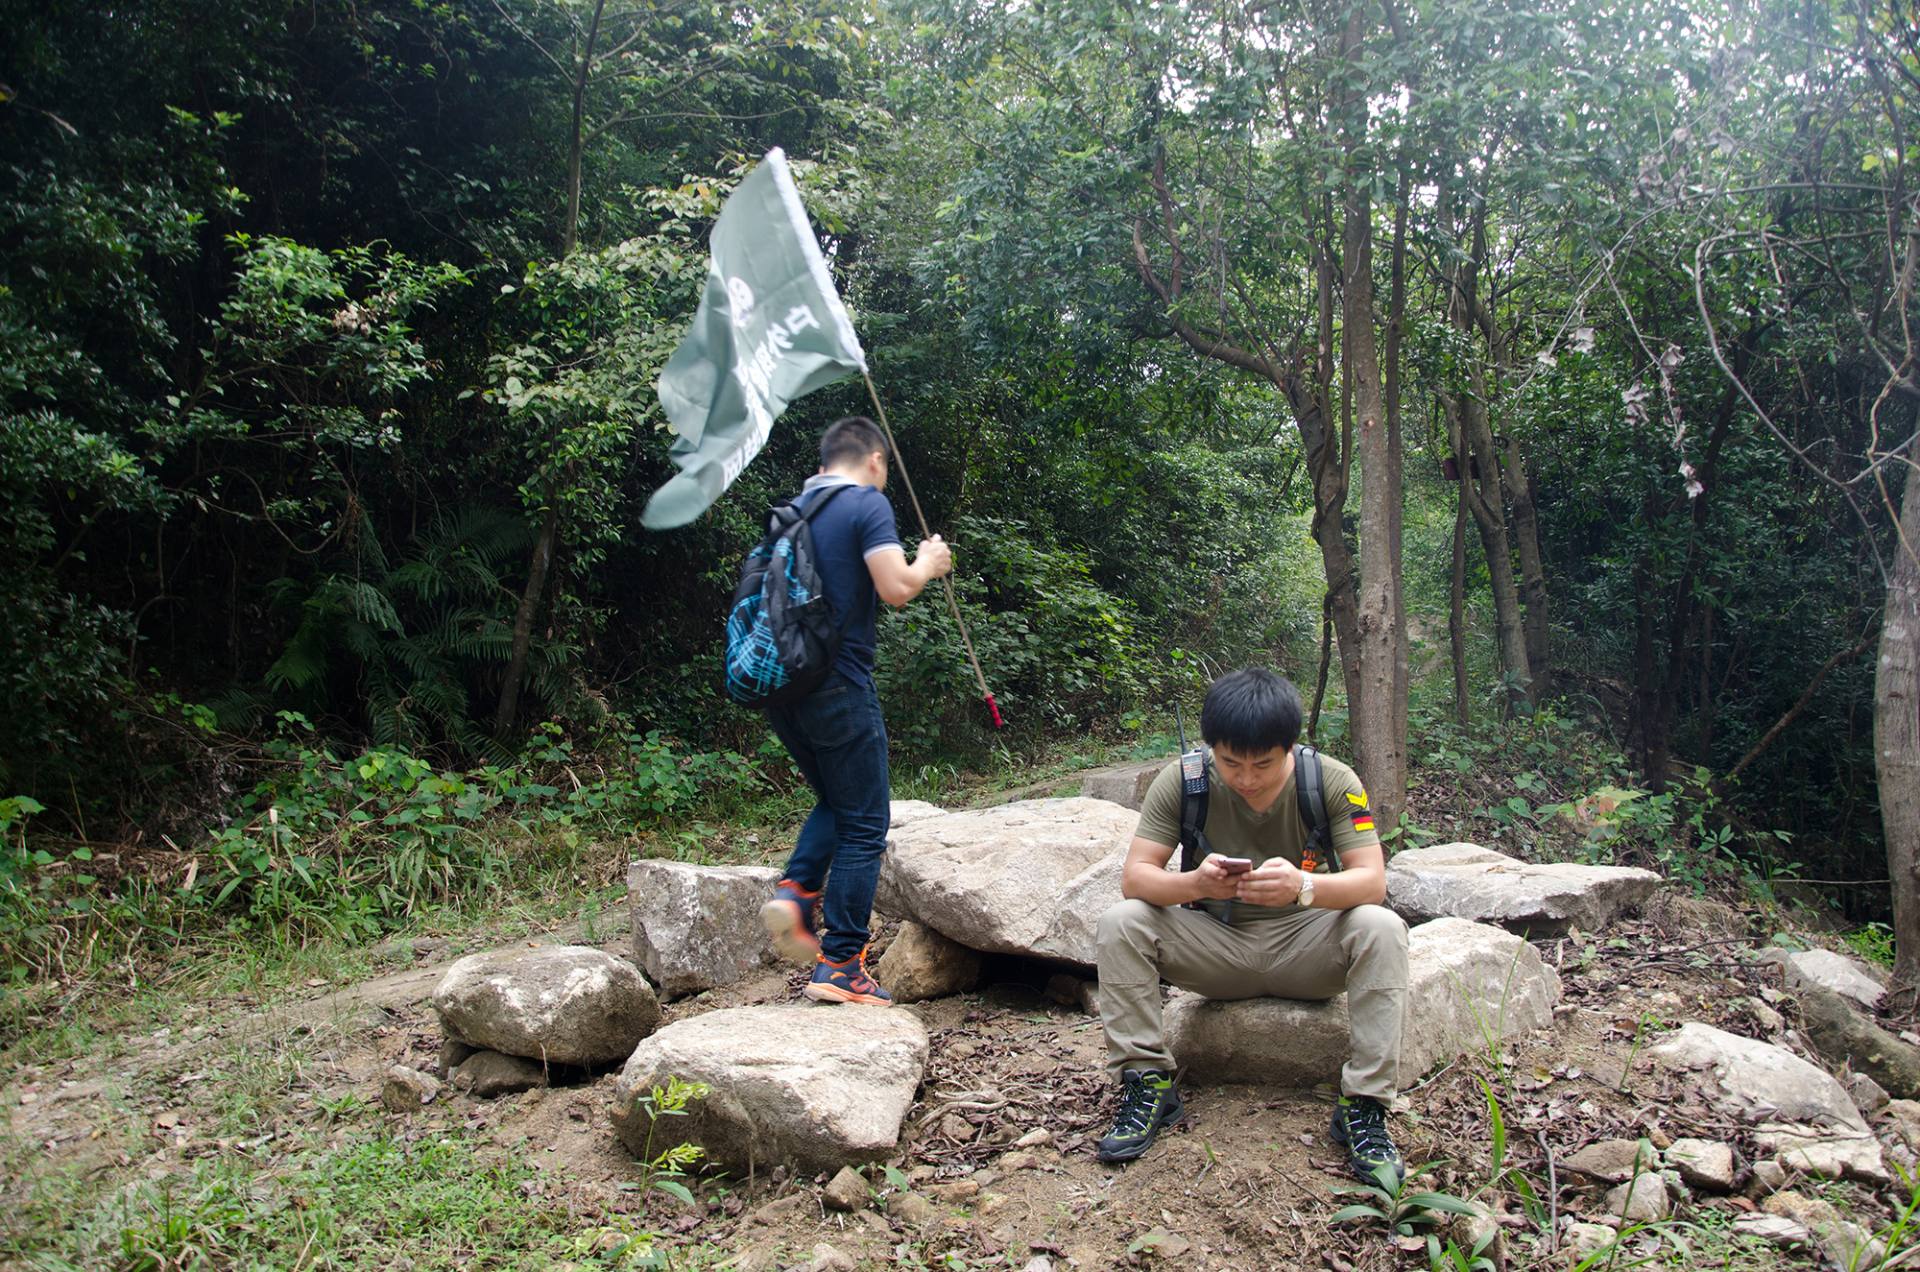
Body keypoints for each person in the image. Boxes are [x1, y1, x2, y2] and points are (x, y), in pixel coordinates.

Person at [1093, 667, 1410, 1184]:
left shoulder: (1330, 779)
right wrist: (1196, 884)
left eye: (1262, 763)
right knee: (1122, 921)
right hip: (1217, 950)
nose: (1245, 778)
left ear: (1290, 747)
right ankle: (1146, 1084)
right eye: (1230, 762)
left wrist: (1303, 888)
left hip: (1308, 948)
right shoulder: (1186, 780)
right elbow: (1137, 879)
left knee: (1380, 925)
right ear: (1211, 747)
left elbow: (1371, 882)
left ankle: (1366, 1106)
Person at [757, 416, 953, 1005]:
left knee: (840, 803)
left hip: (779, 689)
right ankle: (841, 962)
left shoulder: (789, 515)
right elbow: (895, 587)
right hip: (839, 686)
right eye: (885, 468)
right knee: (867, 821)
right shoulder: (865, 503)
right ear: (873, 460)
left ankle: (795, 892)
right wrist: (928, 562)